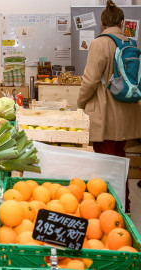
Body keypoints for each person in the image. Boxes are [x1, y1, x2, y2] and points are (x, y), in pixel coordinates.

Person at [77, 0, 141, 213]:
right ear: (122, 22)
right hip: (127, 111)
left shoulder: (99, 43)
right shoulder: (131, 43)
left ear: (103, 23)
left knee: (104, 161)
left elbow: (90, 80)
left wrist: (80, 103)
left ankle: (110, 207)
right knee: (119, 158)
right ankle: (125, 204)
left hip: (105, 113)